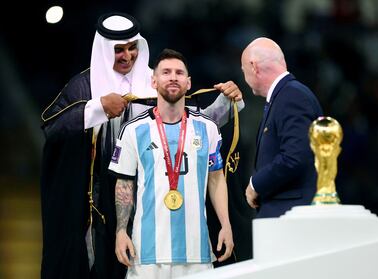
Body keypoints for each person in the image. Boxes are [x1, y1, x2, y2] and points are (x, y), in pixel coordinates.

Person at [40, 12, 243, 279]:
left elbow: (193, 126)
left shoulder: (155, 81)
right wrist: (98, 107)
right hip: (100, 205)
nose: (127, 56)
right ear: (103, 49)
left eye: (132, 47)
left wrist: (229, 103)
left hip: (153, 204)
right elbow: (52, 126)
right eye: (118, 50)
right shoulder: (84, 87)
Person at [108, 48, 234, 279]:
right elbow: (124, 183)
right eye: (166, 72)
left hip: (197, 253)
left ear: (188, 83)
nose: (173, 77)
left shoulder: (208, 128)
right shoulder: (133, 130)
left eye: (179, 72)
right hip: (145, 253)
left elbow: (216, 178)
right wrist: (120, 231)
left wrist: (226, 224)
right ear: (154, 81)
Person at [241, 37, 323, 218]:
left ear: (254, 66)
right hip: (286, 215)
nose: (244, 76)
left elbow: (294, 156)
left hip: (291, 216)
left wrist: (256, 184)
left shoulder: (291, 96)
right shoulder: (285, 96)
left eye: (243, 69)